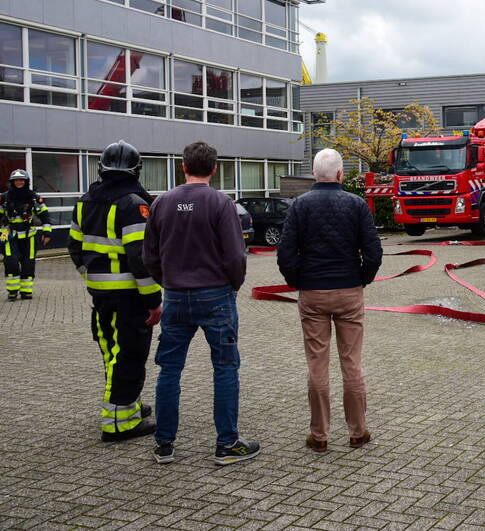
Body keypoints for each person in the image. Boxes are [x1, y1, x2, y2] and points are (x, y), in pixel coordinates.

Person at [143, 141, 255, 466]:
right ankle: (226, 444)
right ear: (214, 168)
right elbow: (235, 254)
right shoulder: (221, 202)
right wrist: (233, 285)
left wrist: (167, 281)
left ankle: (164, 445)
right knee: (225, 367)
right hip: (216, 295)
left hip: (176, 296)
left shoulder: (162, 202)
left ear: (183, 166)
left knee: (169, 369)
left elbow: (149, 254)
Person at [277, 148, 382, 452]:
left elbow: (285, 253)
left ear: (314, 174)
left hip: (312, 294)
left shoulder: (299, 206)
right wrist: (361, 278)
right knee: (352, 364)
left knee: (317, 365)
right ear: (340, 174)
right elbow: (374, 251)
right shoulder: (357, 204)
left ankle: (319, 436)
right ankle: (358, 431)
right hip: (349, 292)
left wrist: (298, 281)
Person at [68, 141, 161, 441]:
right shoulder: (134, 204)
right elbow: (140, 259)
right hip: (129, 295)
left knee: (112, 351)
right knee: (129, 355)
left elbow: (74, 247)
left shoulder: (84, 201)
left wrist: (92, 277)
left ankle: (128, 405)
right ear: (136, 169)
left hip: (100, 294)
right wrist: (153, 300)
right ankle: (119, 423)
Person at [2, 169, 51, 300]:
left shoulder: (34, 197)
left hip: (29, 236)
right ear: (12, 182)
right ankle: (12, 291)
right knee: (11, 261)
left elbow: (45, 215)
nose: (19, 182)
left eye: (21, 180)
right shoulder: (5, 197)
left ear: (26, 182)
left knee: (28, 263)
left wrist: (47, 232)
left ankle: (26, 291)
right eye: (16, 180)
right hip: (9, 234)